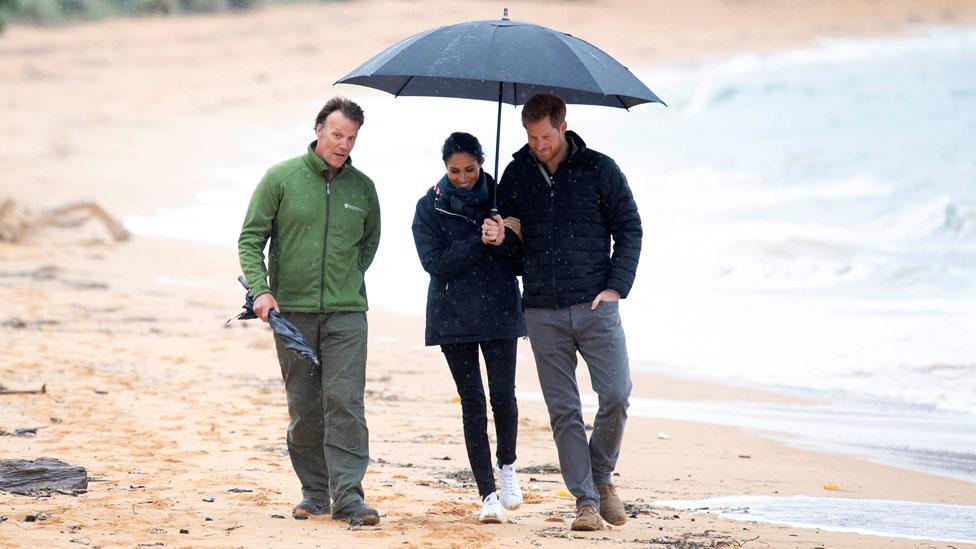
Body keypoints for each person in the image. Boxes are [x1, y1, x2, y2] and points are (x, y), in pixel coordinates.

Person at [494, 93, 642, 531]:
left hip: (596, 304)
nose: (539, 145)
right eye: (532, 137)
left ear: (563, 126)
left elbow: (629, 227)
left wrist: (617, 287)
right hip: (541, 309)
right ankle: (586, 502)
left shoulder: (600, 168)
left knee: (616, 395)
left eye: (546, 136)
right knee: (565, 411)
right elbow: (511, 252)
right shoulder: (517, 173)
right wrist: (500, 236)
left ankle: (600, 475)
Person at [238, 96, 381, 526]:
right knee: (305, 407)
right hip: (291, 314)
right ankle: (315, 492)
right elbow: (250, 239)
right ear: (319, 130)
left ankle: (350, 497)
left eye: (351, 138)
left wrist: (345, 281)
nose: (343, 145)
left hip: (347, 313)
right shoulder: (280, 179)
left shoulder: (363, 188)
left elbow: (368, 244)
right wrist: (262, 291)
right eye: (337, 135)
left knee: (345, 402)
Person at [411, 132, 526, 523]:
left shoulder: (503, 199)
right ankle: (487, 494)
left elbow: (521, 260)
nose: (462, 177)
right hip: (452, 316)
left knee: (503, 395)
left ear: (481, 163)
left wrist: (503, 236)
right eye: (454, 171)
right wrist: (479, 241)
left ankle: (507, 467)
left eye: (470, 170)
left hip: (500, 311)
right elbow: (435, 262)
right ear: (445, 167)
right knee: (473, 402)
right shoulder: (429, 206)